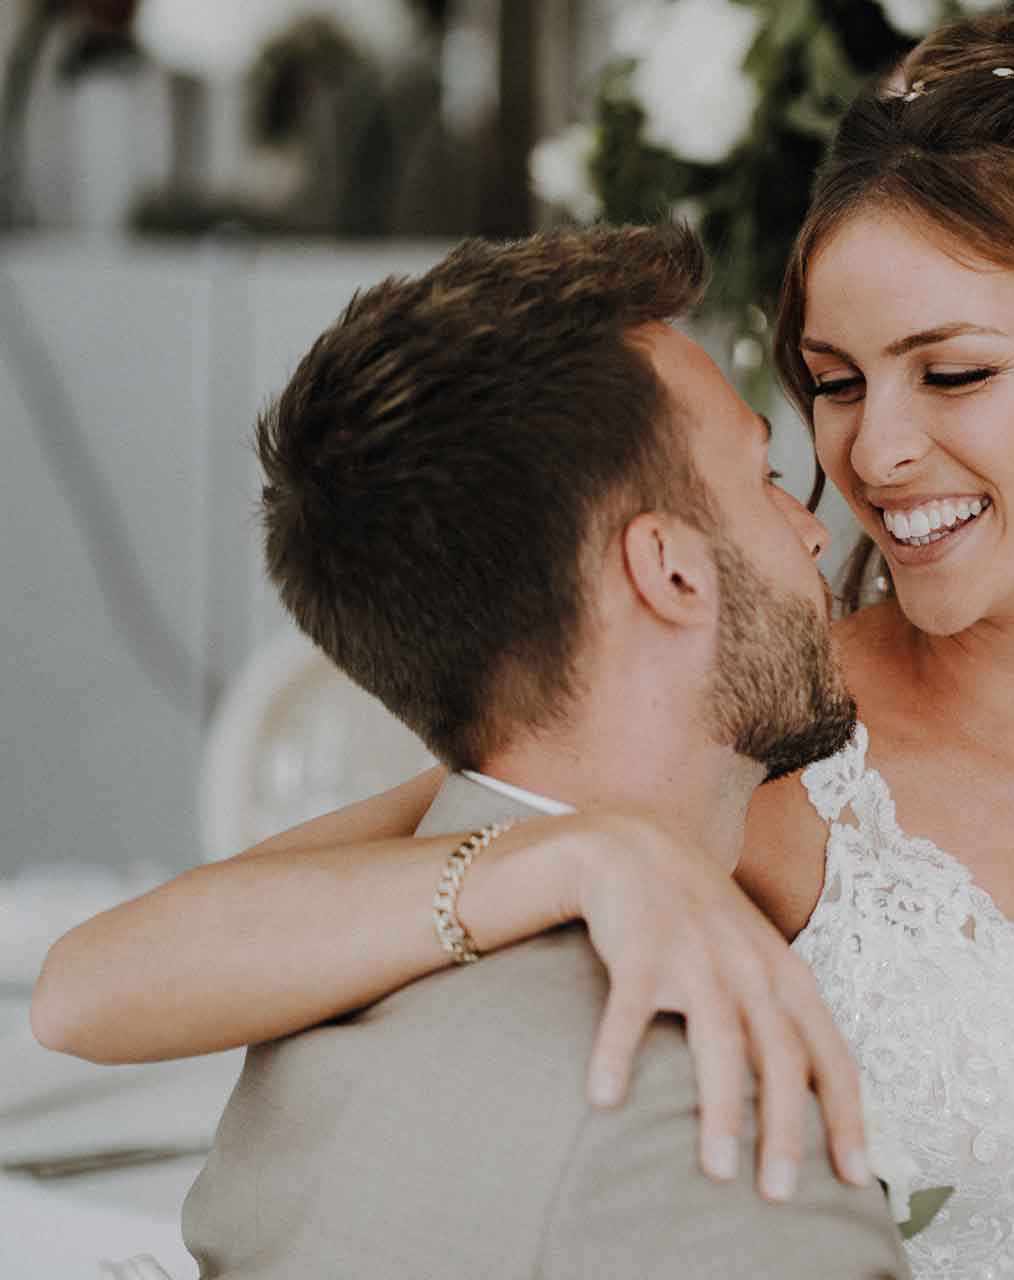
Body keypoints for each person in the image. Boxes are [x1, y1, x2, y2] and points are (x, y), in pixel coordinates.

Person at [36, 15, 1014, 1278]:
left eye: (953, 373)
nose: (874, 451)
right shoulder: (776, 753)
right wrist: (572, 855)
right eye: (833, 383)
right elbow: (98, 987)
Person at [116, 224, 908, 1278]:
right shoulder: (700, 1108)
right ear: (669, 571)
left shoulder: (314, 999)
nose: (813, 530)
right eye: (764, 475)